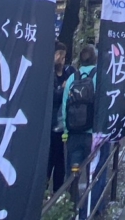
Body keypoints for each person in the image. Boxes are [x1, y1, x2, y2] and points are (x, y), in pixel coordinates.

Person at [62, 45, 98, 216]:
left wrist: (66, 131)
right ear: (95, 59)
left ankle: (72, 209)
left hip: (73, 134)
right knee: (94, 173)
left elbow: (65, 106)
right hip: (93, 135)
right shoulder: (98, 77)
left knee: (73, 173)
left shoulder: (71, 78)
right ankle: (90, 209)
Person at [48, 42, 74, 192]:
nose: (63, 60)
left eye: (64, 57)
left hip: (64, 126)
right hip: (50, 126)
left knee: (60, 163)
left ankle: (57, 193)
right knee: (48, 162)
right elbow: (50, 96)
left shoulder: (68, 72)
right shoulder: (48, 74)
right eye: (61, 56)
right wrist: (62, 89)